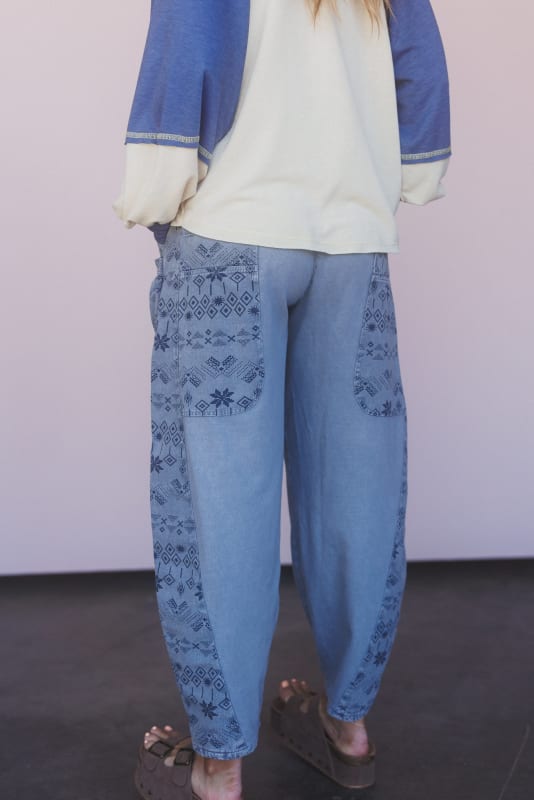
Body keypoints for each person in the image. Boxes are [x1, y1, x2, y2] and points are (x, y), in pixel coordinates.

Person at [112, 1, 451, 798]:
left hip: (231, 231)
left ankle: (218, 765)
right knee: (357, 487)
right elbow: (420, 61)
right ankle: (349, 726)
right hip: (351, 241)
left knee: (220, 501)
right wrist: (399, 174)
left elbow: (187, 49)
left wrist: (155, 196)